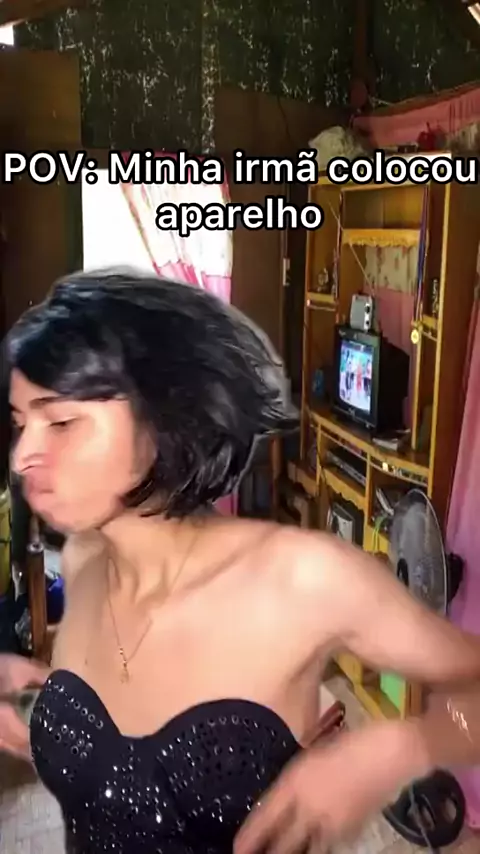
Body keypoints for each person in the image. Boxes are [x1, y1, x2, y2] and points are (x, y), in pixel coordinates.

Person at [3, 267, 480, 854]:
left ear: (165, 419)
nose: (22, 456)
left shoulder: (303, 580)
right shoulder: (81, 561)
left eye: (61, 422)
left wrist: (399, 749)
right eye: (21, 423)